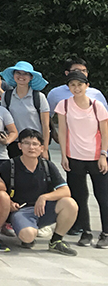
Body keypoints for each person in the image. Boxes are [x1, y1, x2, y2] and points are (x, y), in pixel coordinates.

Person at [0, 128, 78, 255]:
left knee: (70, 204)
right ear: (19, 146)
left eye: (35, 144)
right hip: (21, 211)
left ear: (41, 148)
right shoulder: (9, 166)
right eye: (27, 143)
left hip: (43, 209)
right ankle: (27, 231)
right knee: (28, 236)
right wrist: (9, 203)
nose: (31, 147)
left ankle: (56, 241)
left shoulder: (47, 166)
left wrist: (44, 197)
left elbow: (65, 191)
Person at [54, 70, 108, 248]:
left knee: (103, 195)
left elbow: (105, 132)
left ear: (87, 86)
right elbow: (62, 131)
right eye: (72, 85)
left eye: (79, 84)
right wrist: (63, 155)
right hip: (74, 157)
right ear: (68, 87)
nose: (76, 88)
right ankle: (86, 232)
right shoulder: (64, 105)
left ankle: (106, 233)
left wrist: (104, 154)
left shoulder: (97, 106)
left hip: (96, 157)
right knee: (79, 196)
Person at [0, 61, 51, 159]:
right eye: (18, 73)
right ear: (13, 75)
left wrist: (44, 149)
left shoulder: (39, 97)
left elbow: (45, 125)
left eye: (25, 74)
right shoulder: (6, 96)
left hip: (35, 144)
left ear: (31, 77)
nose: (21, 76)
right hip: (14, 143)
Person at [49, 59, 106, 140]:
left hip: (94, 139)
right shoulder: (55, 93)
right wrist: (53, 132)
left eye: (84, 71)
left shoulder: (96, 94)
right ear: (67, 73)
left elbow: (105, 118)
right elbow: (47, 115)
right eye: (77, 70)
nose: (81, 73)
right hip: (69, 140)